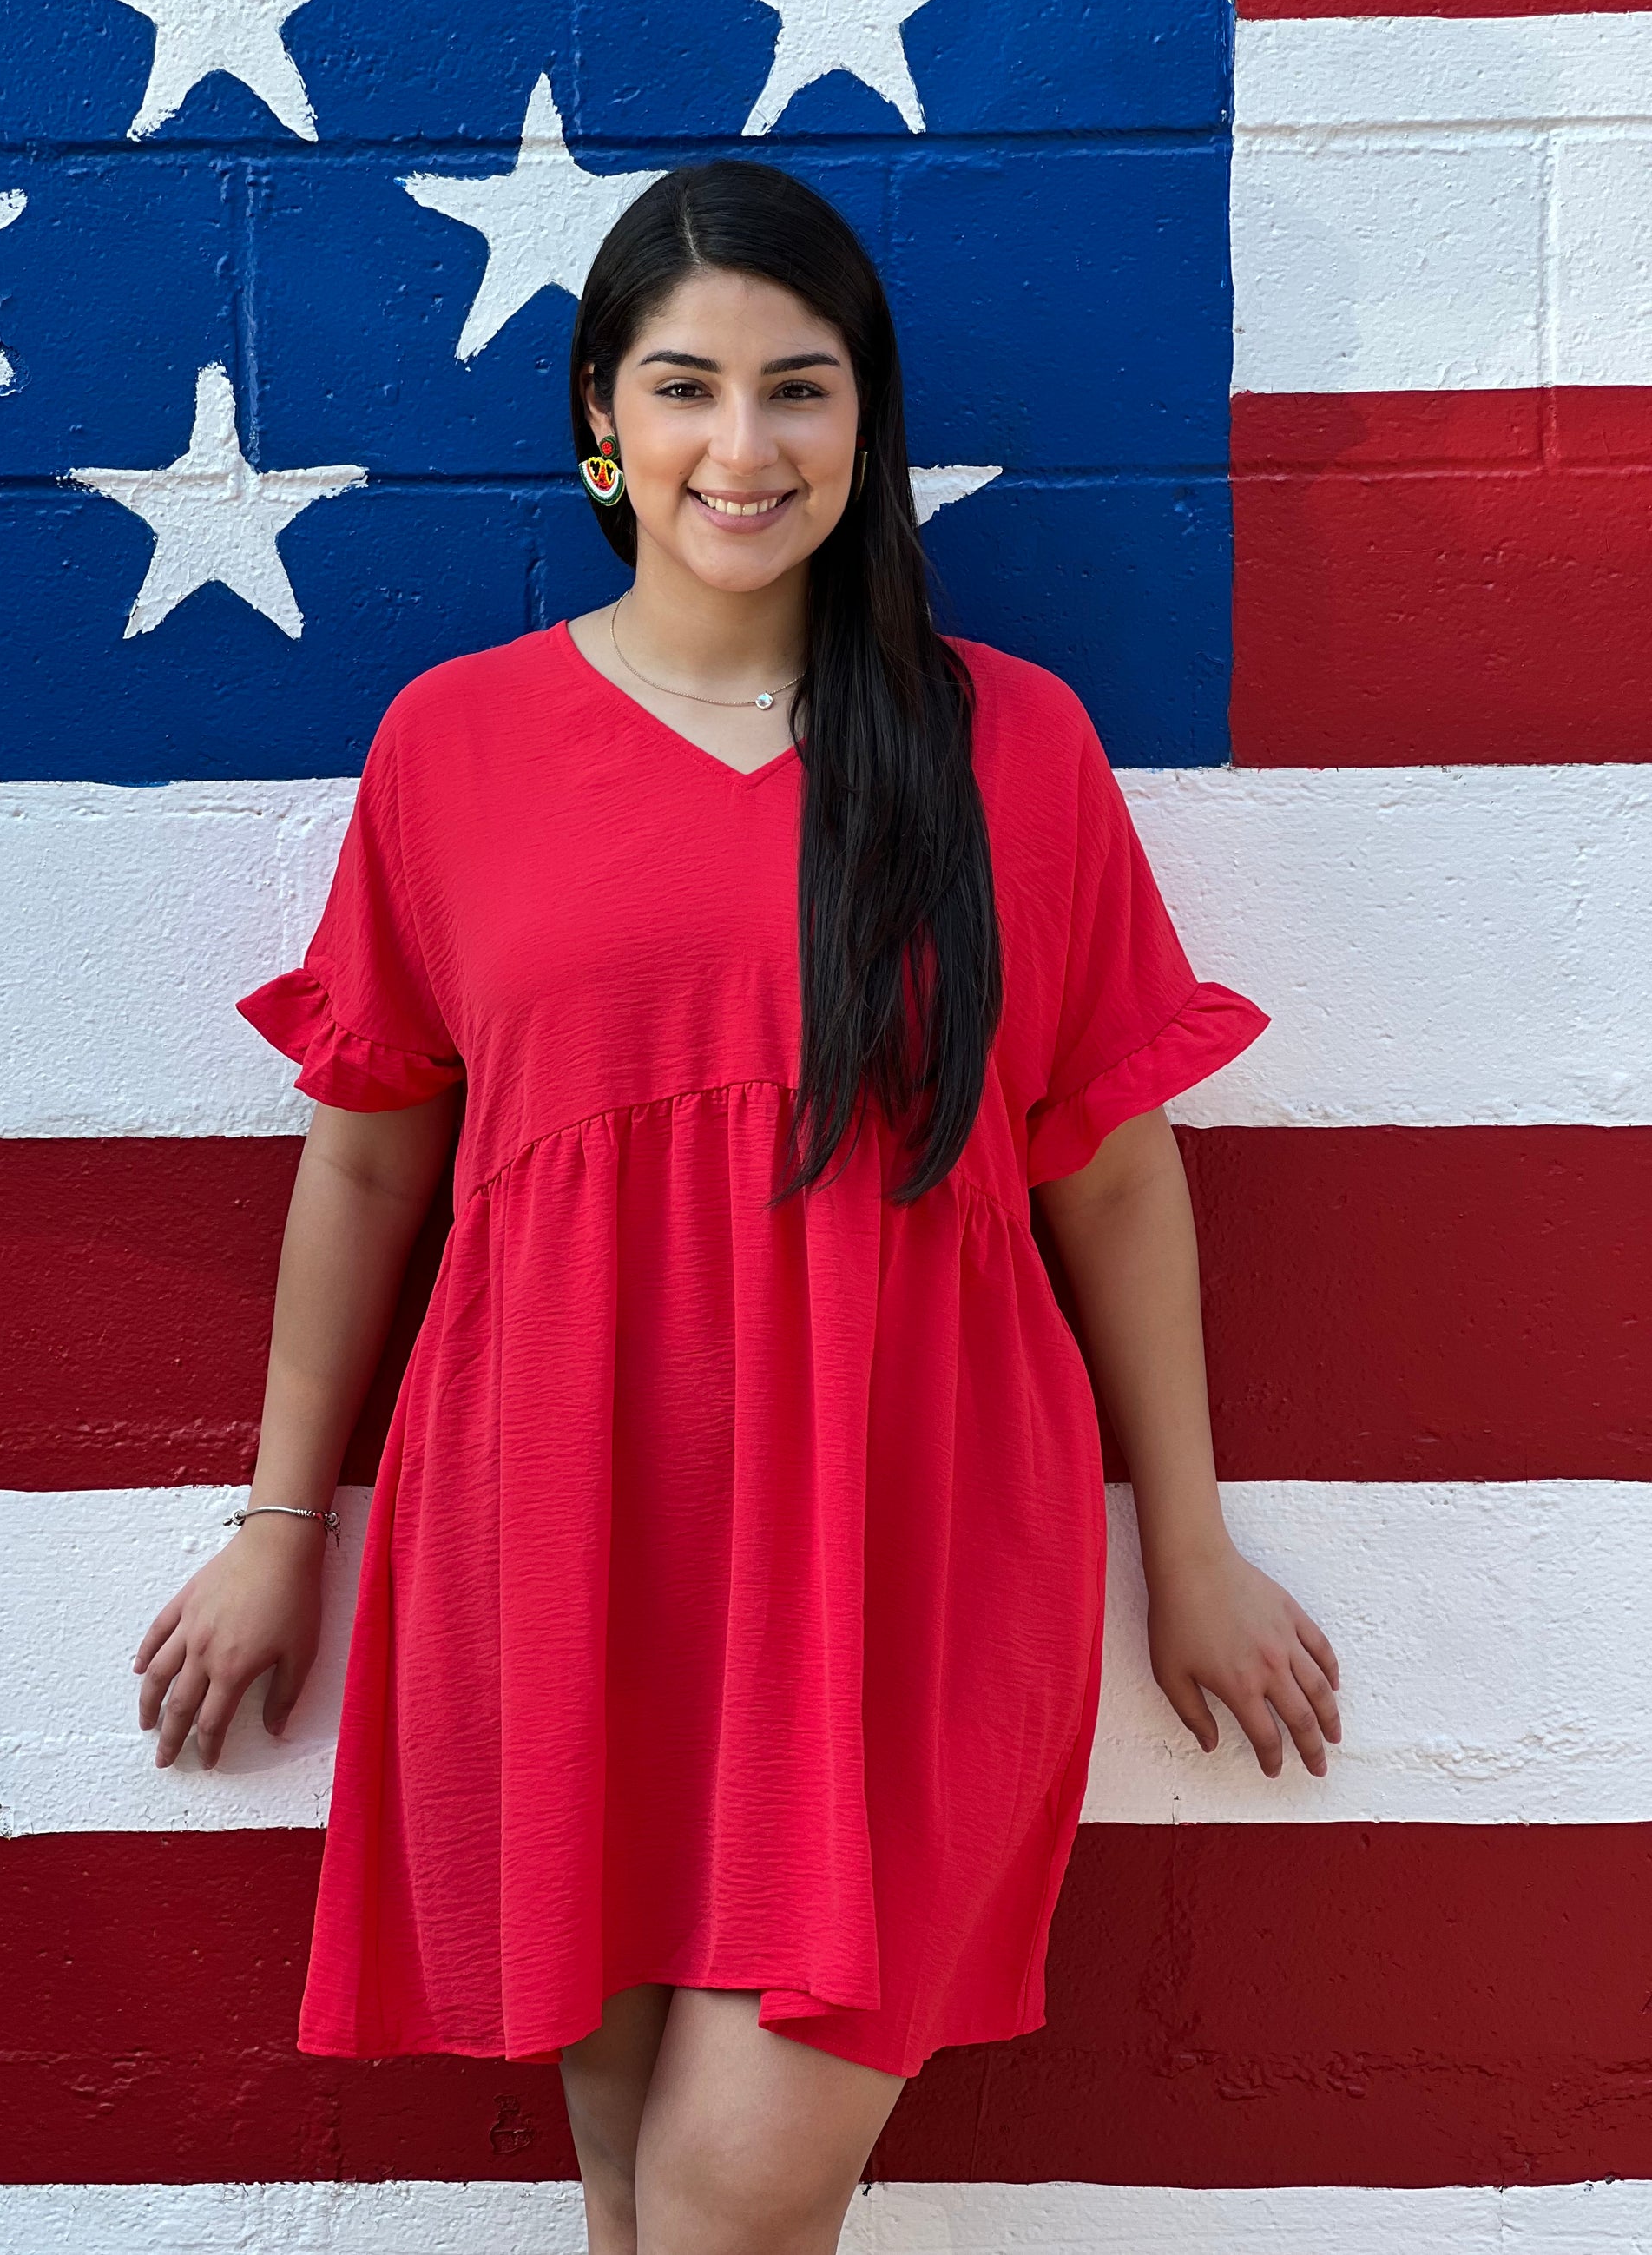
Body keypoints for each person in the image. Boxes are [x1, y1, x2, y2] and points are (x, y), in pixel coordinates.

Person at [131, 157, 1342, 2255]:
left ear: (864, 421)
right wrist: (277, 1519)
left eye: (799, 387)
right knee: (624, 2190)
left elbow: (1114, 1172)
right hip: (565, 1533)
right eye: (685, 386)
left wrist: (1197, 1539)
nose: (742, 445)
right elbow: (366, 1153)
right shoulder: (454, 745)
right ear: (600, 415)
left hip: (912, 1539)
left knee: (721, 2199)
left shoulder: (1012, 750)